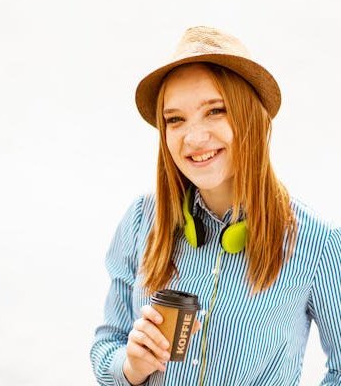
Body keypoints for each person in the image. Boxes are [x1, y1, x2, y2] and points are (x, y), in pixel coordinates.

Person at [90, 26, 341, 385]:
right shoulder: (141, 221)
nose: (193, 138)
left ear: (251, 118)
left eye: (215, 111)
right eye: (175, 119)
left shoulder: (319, 243)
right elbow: (107, 344)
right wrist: (130, 367)